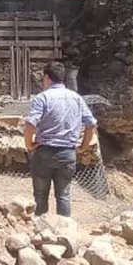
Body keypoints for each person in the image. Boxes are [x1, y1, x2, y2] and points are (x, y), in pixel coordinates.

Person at [23, 61, 98, 217]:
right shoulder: (76, 98)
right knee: (63, 194)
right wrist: (83, 146)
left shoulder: (42, 98)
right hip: (67, 153)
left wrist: (29, 144)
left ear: (47, 78)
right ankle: (65, 230)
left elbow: (30, 124)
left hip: (44, 152)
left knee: (40, 195)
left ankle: (41, 231)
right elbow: (91, 124)